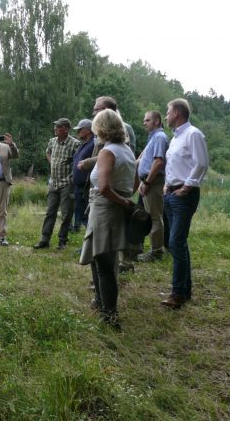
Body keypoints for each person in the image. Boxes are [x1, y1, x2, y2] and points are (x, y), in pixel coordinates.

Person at [79, 109, 137, 329]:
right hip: (114, 207)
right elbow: (135, 182)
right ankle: (102, 305)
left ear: (102, 128)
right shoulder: (127, 150)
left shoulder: (107, 152)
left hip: (105, 209)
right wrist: (126, 198)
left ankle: (110, 316)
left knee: (105, 266)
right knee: (100, 259)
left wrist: (121, 202)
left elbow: (103, 186)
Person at [78, 96, 138, 272]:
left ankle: (104, 294)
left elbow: (107, 180)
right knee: (103, 253)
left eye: (96, 109)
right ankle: (101, 291)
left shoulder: (116, 141)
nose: (93, 112)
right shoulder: (117, 144)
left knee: (104, 255)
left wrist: (122, 199)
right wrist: (125, 196)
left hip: (107, 201)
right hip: (107, 196)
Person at [161, 98, 208, 309]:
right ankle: (184, 290)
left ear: (177, 113)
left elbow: (201, 163)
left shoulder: (193, 134)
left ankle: (178, 293)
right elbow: (173, 165)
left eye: (168, 112)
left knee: (175, 242)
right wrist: (166, 185)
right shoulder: (175, 138)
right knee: (177, 243)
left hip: (183, 195)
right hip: (171, 194)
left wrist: (186, 187)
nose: (166, 115)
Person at [33, 118, 80, 250]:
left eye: (58, 127)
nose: (55, 129)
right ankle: (44, 239)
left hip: (67, 183)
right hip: (53, 182)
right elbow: (47, 152)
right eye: (55, 127)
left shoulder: (74, 143)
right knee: (50, 212)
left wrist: (72, 176)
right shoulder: (52, 141)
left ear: (66, 129)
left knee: (66, 214)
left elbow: (79, 161)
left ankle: (62, 240)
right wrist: (52, 161)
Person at [137, 111, 169, 261]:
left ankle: (156, 252)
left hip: (154, 183)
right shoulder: (153, 137)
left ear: (157, 121)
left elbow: (158, 162)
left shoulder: (160, 137)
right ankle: (153, 250)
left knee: (155, 217)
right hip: (148, 181)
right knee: (150, 216)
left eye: (147, 120)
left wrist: (147, 182)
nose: (144, 123)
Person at [71, 119, 95, 232]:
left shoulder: (94, 144)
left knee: (89, 217)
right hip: (78, 187)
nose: (78, 132)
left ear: (88, 130)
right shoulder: (83, 144)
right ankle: (88, 245)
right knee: (83, 216)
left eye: (80, 130)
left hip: (86, 187)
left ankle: (90, 246)